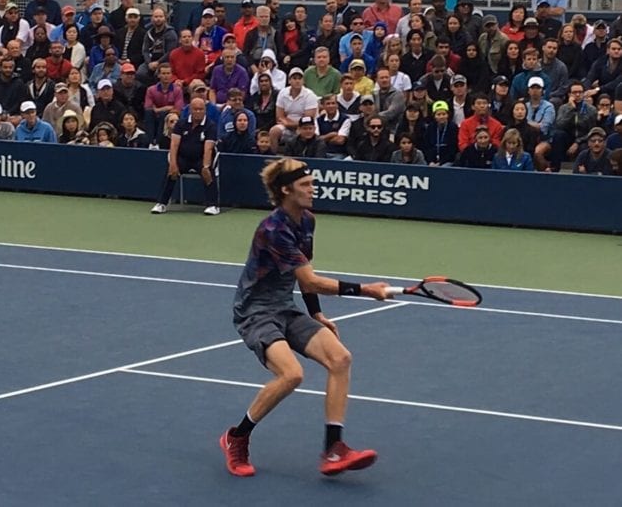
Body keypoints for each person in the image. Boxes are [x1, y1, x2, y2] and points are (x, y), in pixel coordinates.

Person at [220, 156, 390, 477]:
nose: (314, 189)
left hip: (284, 307)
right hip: (256, 313)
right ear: (286, 190)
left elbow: (303, 274)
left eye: (312, 183)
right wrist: (367, 290)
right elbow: (312, 281)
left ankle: (334, 450)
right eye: (306, 185)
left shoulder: (307, 221)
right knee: (291, 374)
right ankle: (236, 437)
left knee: (340, 358)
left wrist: (317, 314)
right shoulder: (273, 229)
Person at [150, 97, 219, 215]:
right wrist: (173, 164)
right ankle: (161, 203)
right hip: (184, 158)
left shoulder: (210, 126)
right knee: (170, 173)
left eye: (201, 109)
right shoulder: (181, 123)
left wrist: (206, 166)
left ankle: (213, 205)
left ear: (205, 110)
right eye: (195, 109)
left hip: (201, 158)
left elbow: (208, 148)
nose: (198, 112)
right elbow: (174, 145)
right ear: (190, 110)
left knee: (208, 173)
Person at [423, 100, 458, 165]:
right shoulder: (430, 127)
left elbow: (453, 149)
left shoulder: (453, 127)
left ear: (448, 115)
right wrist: (430, 161)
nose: (441, 117)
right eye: (438, 114)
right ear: (434, 116)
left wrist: (440, 163)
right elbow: (427, 147)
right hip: (432, 161)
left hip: (448, 161)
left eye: (444, 114)